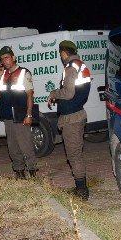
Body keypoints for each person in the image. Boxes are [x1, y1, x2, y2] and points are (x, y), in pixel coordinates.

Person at [47, 40, 91, 200]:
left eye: (60, 53)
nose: (60, 56)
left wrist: (53, 93)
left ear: (63, 52)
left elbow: (68, 92)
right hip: (76, 115)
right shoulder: (79, 65)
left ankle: (82, 191)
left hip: (72, 118)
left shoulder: (71, 67)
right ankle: (81, 187)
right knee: (76, 153)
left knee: (74, 155)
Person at [0, 46, 37, 179]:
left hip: (20, 114)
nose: (5, 61)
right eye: (2, 59)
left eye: (7, 57)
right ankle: (19, 171)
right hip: (7, 115)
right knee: (12, 146)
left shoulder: (24, 72)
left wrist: (29, 115)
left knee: (25, 144)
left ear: (13, 58)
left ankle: (32, 170)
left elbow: (30, 95)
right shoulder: (3, 75)